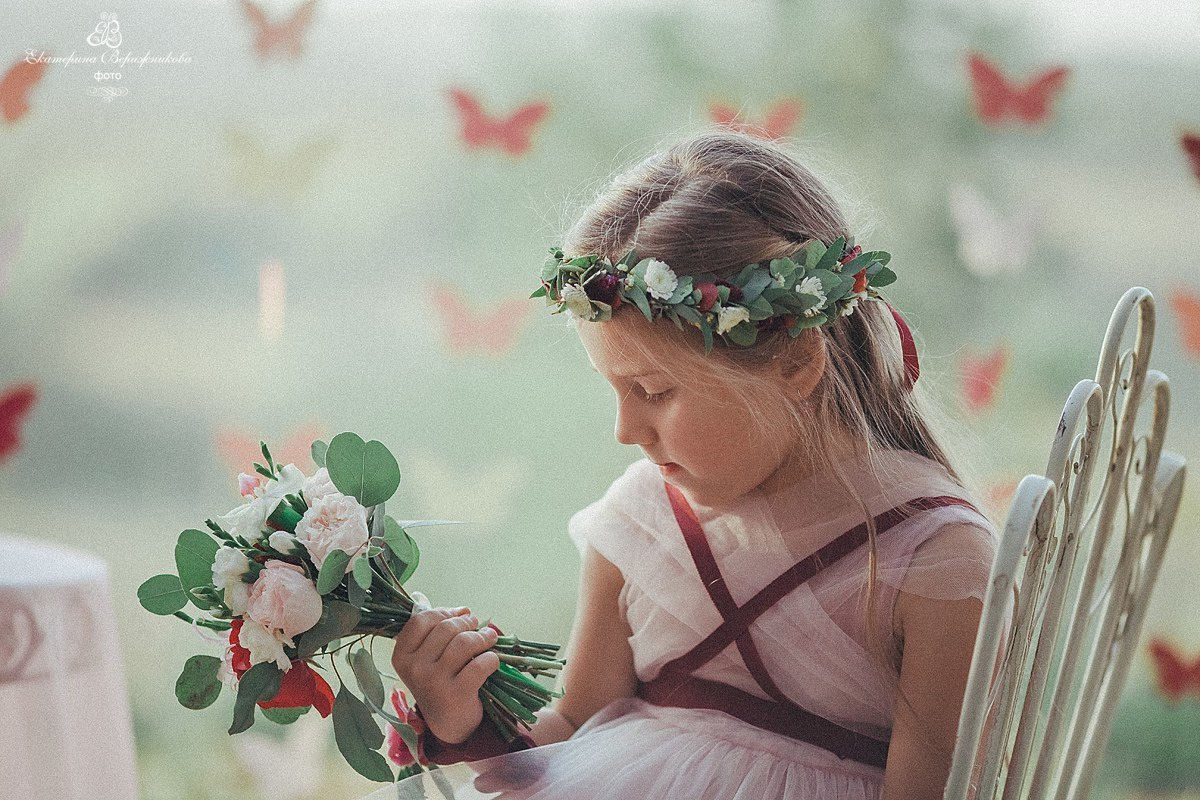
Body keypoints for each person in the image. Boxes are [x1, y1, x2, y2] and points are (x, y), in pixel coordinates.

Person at [366, 130, 998, 800]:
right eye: (613, 389)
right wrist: (461, 714)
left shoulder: (931, 561)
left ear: (794, 363)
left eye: (655, 392)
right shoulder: (642, 521)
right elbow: (577, 727)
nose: (624, 430)